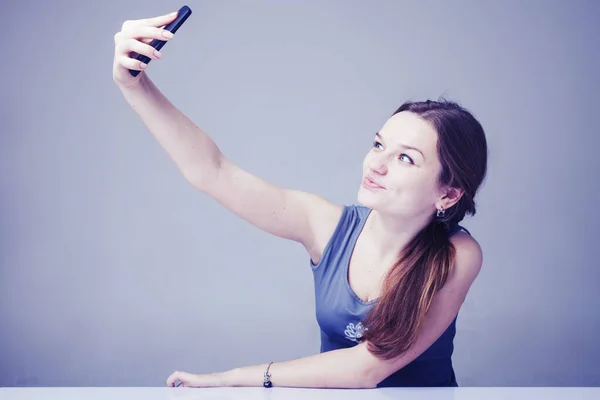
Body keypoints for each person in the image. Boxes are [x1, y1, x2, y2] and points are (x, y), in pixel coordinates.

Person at [112, 10, 487, 389]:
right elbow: (213, 171)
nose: (377, 164)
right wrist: (135, 87)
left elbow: (367, 369)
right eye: (378, 145)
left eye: (406, 158)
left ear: (449, 193)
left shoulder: (458, 254)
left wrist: (231, 379)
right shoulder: (326, 225)